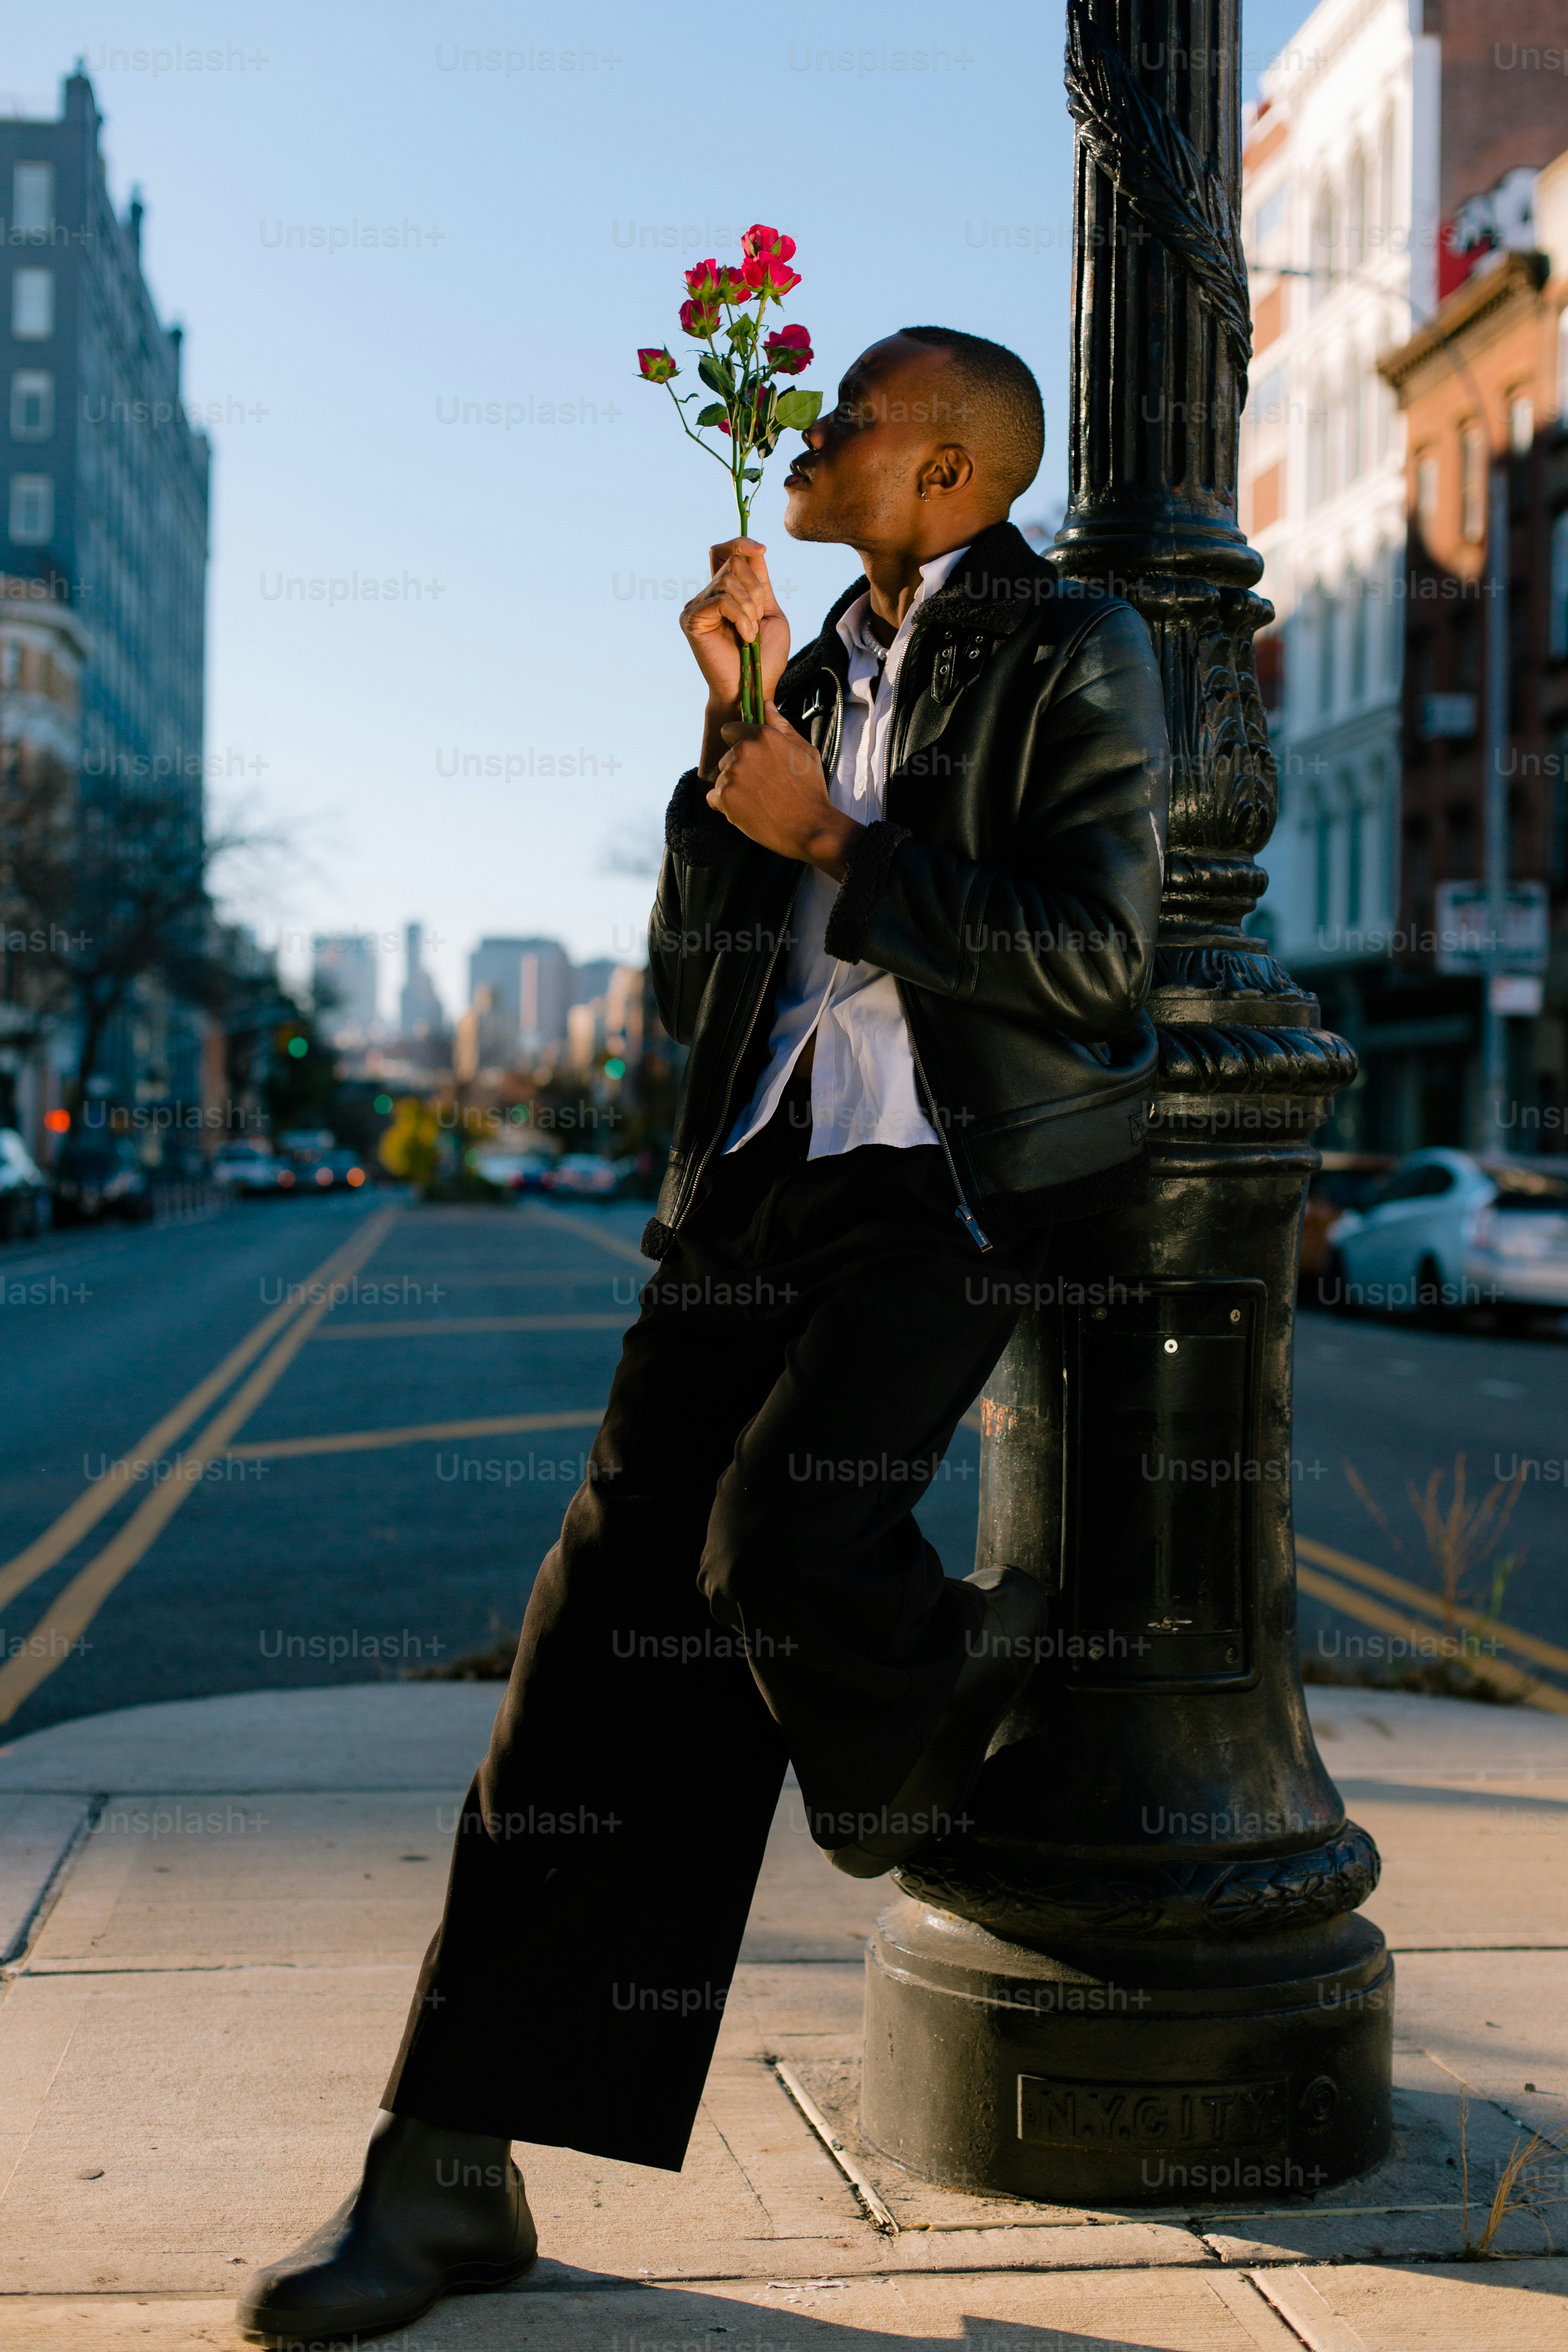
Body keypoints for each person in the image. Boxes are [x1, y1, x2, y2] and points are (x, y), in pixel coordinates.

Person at [240, 326, 1170, 2347]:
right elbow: (690, 987)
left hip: (944, 1172)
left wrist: (840, 842)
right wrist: (728, 743)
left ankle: (944, 1678)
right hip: (749, 1179)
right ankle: (446, 2167)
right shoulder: (808, 665)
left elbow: (1101, 957)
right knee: (594, 1650)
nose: (808, 440)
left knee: (786, 1545)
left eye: (849, 422)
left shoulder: (1073, 641)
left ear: (946, 476)